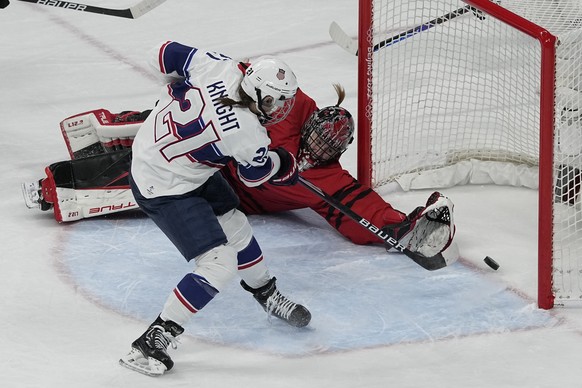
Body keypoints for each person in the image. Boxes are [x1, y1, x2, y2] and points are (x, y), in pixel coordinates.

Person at [23, 87, 455, 255]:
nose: (314, 150)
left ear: (339, 151)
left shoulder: (332, 182)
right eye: (315, 137)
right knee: (173, 132)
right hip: (214, 153)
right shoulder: (292, 107)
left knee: (148, 188)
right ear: (309, 123)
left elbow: (364, 213)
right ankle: (118, 128)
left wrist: (405, 228)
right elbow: (242, 88)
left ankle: (62, 186)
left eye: (327, 149)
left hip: (226, 192)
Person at [109, 40, 312, 377]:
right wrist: (284, 162)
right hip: (163, 185)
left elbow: (161, 52)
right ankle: (153, 340)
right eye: (279, 101)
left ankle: (266, 294)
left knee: (236, 226)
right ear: (262, 95)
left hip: (173, 160)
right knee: (219, 263)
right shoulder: (248, 133)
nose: (281, 109)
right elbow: (254, 175)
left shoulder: (219, 65)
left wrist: (173, 88)